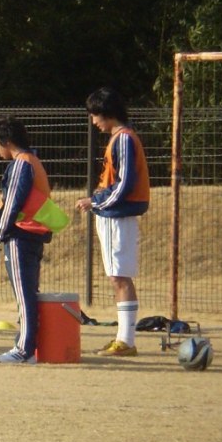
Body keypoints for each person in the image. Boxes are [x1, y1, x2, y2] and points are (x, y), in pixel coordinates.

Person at [74, 87, 150, 358]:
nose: (93, 121)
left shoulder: (124, 139)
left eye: (95, 115)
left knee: (120, 276)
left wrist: (95, 201)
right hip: (113, 215)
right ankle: (122, 337)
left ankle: (127, 340)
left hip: (117, 217)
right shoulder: (120, 138)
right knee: (117, 276)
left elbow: (125, 184)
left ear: (106, 113)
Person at [0, 116, 60, 364]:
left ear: (5, 140)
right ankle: (29, 346)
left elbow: (12, 204)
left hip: (21, 235)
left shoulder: (21, 163)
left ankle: (24, 349)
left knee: (24, 294)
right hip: (33, 235)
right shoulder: (34, 161)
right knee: (28, 292)